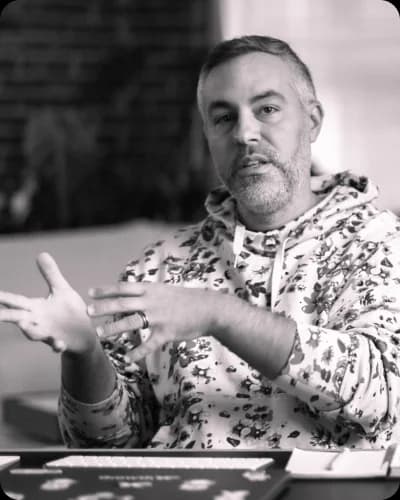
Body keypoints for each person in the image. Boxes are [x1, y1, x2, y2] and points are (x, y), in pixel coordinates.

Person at [1, 35, 400, 450]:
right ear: (208, 134)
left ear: (312, 120)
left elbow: (383, 396)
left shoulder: (380, 244)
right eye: (224, 118)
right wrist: (84, 353)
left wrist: (219, 314)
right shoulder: (159, 266)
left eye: (267, 109)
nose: (245, 133)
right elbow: (105, 445)